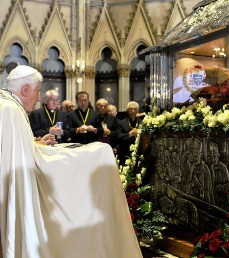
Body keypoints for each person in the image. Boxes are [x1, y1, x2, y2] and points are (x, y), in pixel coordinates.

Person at [0, 65, 143, 258]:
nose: (38, 97)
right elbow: (16, 160)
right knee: (99, 152)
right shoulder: (11, 110)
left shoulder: (7, 105)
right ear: (25, 90)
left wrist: (35, 142)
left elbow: (15, 150)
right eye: (37, 91)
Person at [116, 101, 142, 166]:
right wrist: (129, 134)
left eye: (135, 109)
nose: (133, 111)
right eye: (131, 109)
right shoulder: (121, 122)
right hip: (124, 151)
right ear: (127, 110)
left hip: (138, 150)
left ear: (138, 110)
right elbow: (118, 136)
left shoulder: (142, 122)